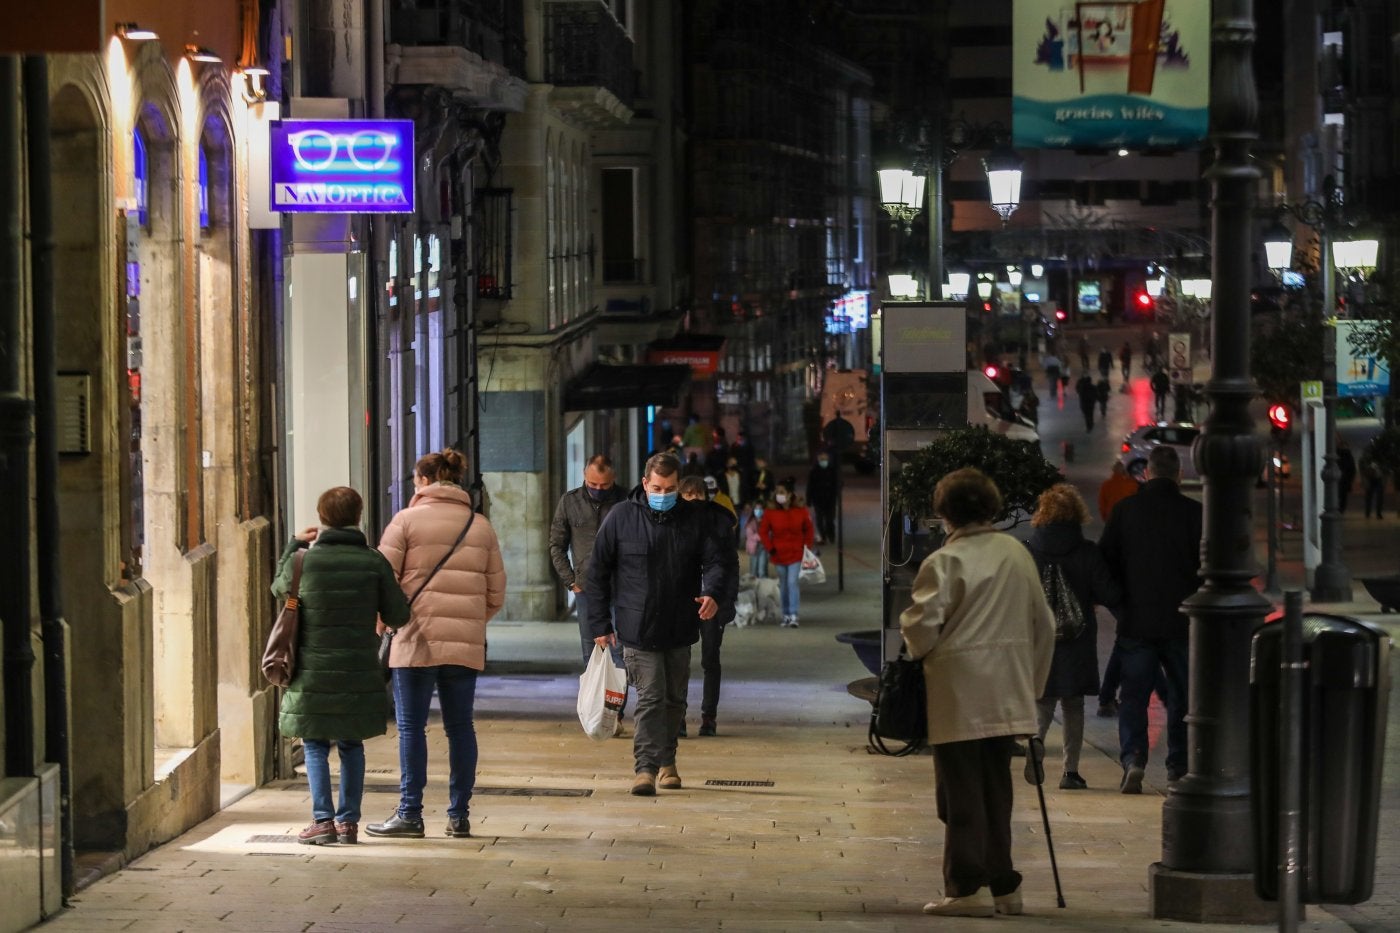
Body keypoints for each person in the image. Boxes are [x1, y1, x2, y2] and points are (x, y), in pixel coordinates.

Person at [900, 468, 1054, 917]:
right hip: (1007, 689)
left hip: (959, 690)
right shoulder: (1016, 554)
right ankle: (1004, 883)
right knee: (995, 789)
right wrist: (1033, 686)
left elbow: (921, 626)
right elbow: (1043, 624)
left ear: (944, 513)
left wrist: (917, 649)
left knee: (959, 792)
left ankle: (967, 887)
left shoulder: (946, 562)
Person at [369, 449, 506, 838]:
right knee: (461, 727)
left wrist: (385, 622)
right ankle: (458, 815)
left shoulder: (405, 522)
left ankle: (410, 814)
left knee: (412, 728)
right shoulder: (480, 526)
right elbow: (496, 593)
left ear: (424, 481)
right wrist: (468, 623)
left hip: (413, 640)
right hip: (464, 646)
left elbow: (382, 581)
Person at [586, 452, 737, 795]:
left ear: (678, 486)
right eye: (657, 487)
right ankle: (646, 768)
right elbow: (597, 571)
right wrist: (599, 623)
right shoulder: (621, 517)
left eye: (670, 488)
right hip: (636, 626)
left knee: (674, 699)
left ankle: (668, 761)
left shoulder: (693, 519)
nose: (663, 493)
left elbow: (717, 560)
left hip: (681, 624)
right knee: (651, 697)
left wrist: (712, 592)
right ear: (645, 484)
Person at [273, 486, 411, 846]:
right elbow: (398, 614)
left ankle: (322, 821)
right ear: (358, 516)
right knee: (351, 744)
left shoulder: (303, 562)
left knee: (315, 744)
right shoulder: (373, 561)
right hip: (358, 667)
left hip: (310, 668)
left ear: (321, 519)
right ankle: (348, 823)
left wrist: (292, 545)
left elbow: (278, 588)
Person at [1098, 445, 1201, 793]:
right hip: (1181, 622)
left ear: (1147, 473)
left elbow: (1105, 563)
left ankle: (1134, 758)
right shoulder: (1195, 513)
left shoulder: (1125, 510)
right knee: (1181, 697)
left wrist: (1120, 605)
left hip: (1137, 622)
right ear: (1180, 476)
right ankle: (1178, 764)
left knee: (1134, 697)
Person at [1026, 484, 1122, 790]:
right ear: (1077, 513)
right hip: (1077, 638)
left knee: (1043, 700)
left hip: (1040, 637)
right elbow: (1109, 592)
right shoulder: (1087, 552)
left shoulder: (1029, 551)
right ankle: (1070, 772)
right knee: (1073, 704)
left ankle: (1036, 743)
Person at [549, 455, 627, 665]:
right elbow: (556, 545)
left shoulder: (626, 501)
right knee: (591, 652)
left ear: (614, 478)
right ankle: (594, 698)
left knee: (620, 651)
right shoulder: (569, 501)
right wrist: (572, 582)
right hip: (586, 589)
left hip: (621, 588)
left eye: (605, 485)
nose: (598, 489)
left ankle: (616, 698)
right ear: (584, 475)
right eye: (593, 484)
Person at [679, 477, 739, 737]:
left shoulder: (720, 523)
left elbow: (730, 565)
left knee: (709, 659)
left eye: (698, 495)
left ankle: (708, 716)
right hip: (682, 600)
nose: (694, 501)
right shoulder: (674, 521)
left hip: (713, 602)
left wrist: (726, 601)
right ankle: (677, 716)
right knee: (678, 660)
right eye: (688, 496)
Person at [758, 480, 815, 627]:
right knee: (783, 585)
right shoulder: (770, 512)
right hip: (778, 553)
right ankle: (786, 615)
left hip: (796, 553)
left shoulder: (801, 511)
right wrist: (770, 547)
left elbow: (809, 529)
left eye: (782, 492)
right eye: (777, 492)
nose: (779, 495)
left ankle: (794, 614)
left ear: (790, 495)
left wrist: (806, 547)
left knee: (792, 582)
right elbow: (763, 531)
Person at [806, 450, 840, 545]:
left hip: (830, 500)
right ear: (818, 459)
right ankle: (823, 537)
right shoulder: (814, 471)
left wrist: (836, 494)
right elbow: (810, 486)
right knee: (819, 520)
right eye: (821, 459)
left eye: (825, 459)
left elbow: (837, 484)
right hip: (818, 499)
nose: (823, 461)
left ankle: (831, 534)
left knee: (830, 519)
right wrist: (809, 499)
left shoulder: (832, 470)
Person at [743, 498, 770, 578]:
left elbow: (769, 533)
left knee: (762, 570)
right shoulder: (750, 521)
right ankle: (753, 589)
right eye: (756, 509)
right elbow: (750, 535)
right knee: (753, 571)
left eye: (761, 509)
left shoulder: (766, 521)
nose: (758, 511)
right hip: (753, 548)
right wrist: (761, 536)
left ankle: (763, 587)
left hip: (763, 548)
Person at [1361, 448, 1386, 518]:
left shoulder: (1381, 460)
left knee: (1378, 497)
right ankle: (1368, 513)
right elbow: (1363, 469)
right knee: (1369, 497)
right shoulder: (1367, 459)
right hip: (1370, 479)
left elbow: (1384, 470)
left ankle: (1378, 513)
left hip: (1378, 479)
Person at [1336, 438, 1357, 513]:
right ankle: (1341, 509)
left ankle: (1339, 508)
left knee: (1339, 495)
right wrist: (1350, 480)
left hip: (1339, 479)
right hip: (1344, 480)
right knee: (1343, 496)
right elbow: (1352, 469)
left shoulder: (1336, 454)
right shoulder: (1349, 456)